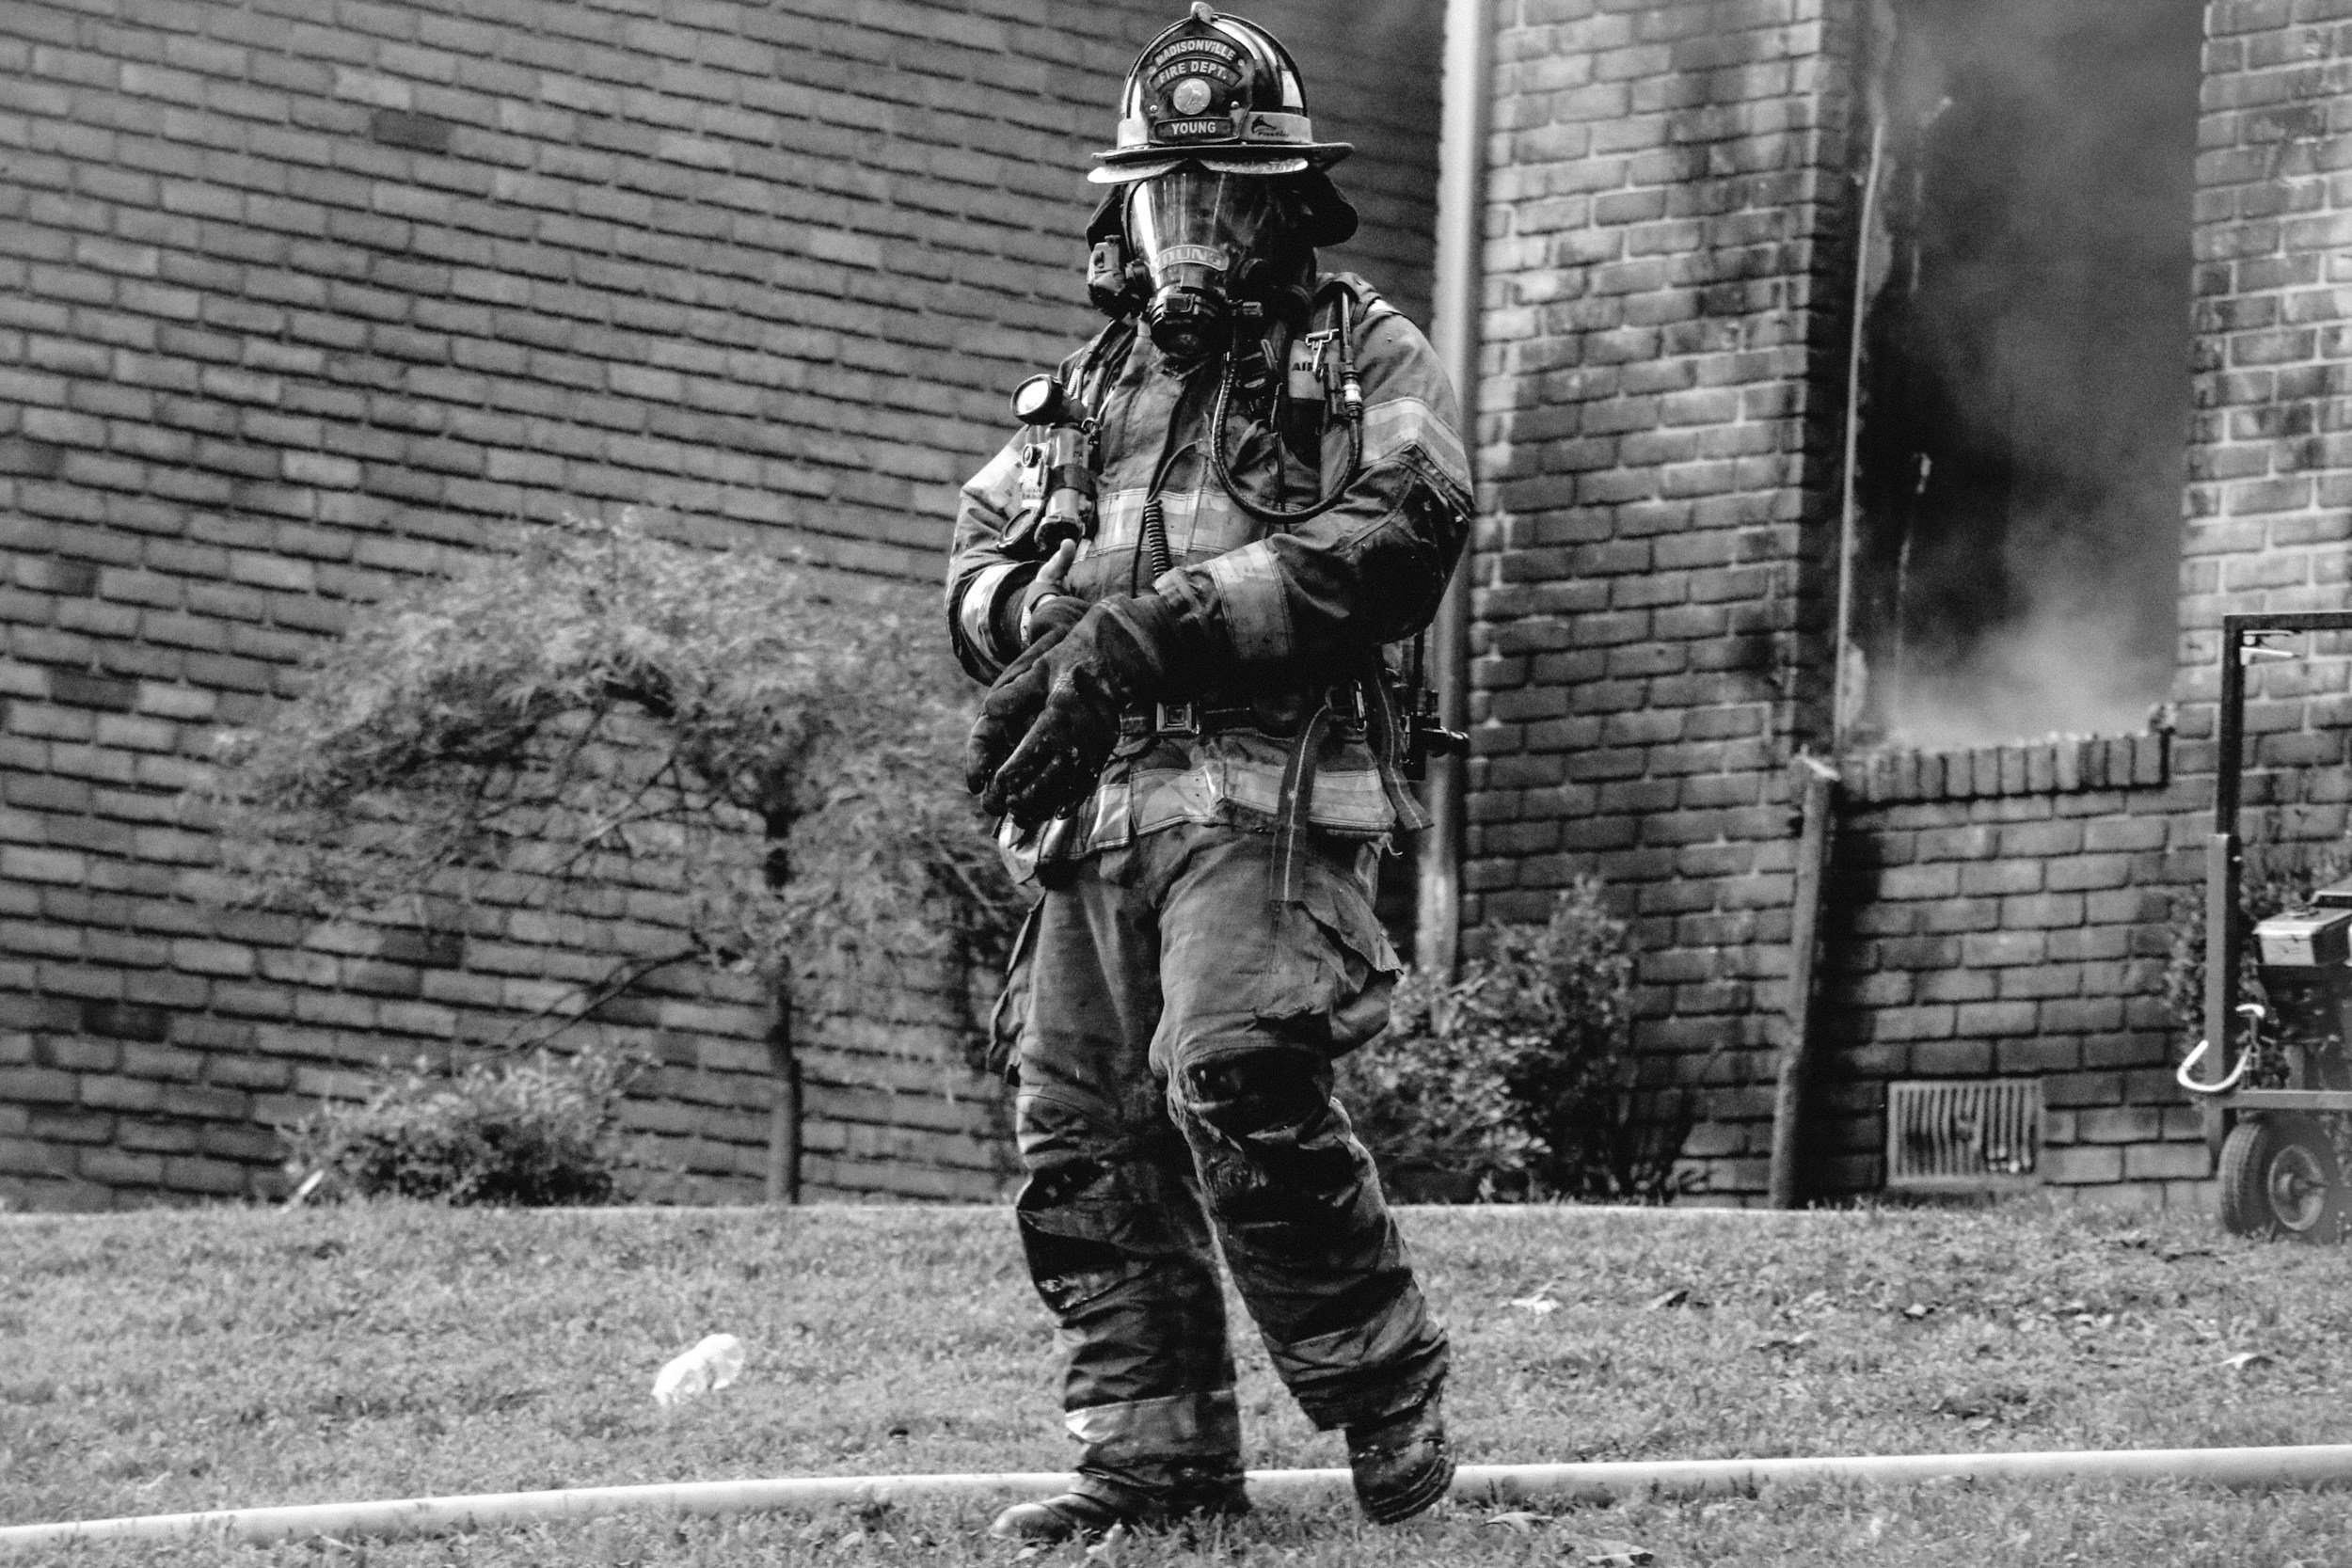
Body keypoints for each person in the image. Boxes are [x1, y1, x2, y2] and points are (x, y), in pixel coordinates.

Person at [946, 3, 1473, 1542]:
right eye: (1165, 198)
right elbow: (973, 565)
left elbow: (1398, 536)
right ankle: (1153, 1466)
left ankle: (1383, 1388)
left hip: (1272, 798)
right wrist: (1038, 628)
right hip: (1093, 820)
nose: (1193, 231)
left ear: (1289, 204)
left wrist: (1151, 634)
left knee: (1235, 1073)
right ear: (1122, 216)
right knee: (1082, 1135)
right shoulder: (1081, 392)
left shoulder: (1361, 354)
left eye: (1225, 197)